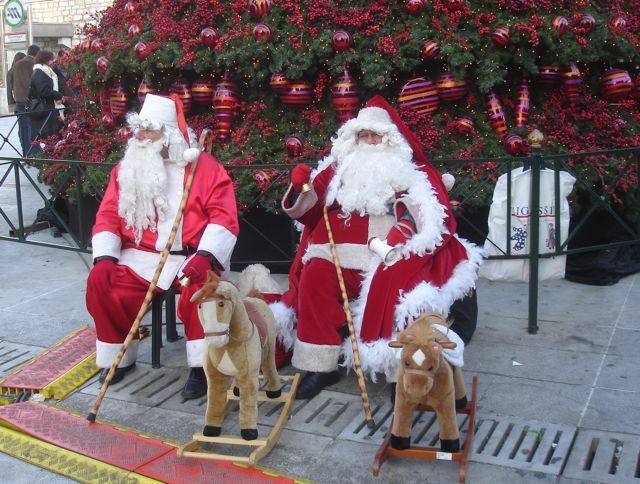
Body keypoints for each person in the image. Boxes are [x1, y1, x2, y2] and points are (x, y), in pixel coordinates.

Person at [271, 96, 483, 399]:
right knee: (315, 275)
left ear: (390, 139)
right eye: (363, 135)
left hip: (391, 252)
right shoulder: (335, 171)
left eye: (376, 136)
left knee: (401, 286)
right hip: (336, 253)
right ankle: (320, 366)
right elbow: (308, 212)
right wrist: (300, 188)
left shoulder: (411, 173)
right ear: (354, 138)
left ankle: (402, 368)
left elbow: (437, 220)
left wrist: (409, 244)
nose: (369, 142)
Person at [86, 93, 239, 399]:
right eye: (138, 131)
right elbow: (107, 214)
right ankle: (119, 356)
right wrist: (104, 258)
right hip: (140, 255)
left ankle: (203, 366)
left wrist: (206, 256)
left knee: (204, 291)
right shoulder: (127, 168)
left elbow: (224, 217)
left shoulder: (204, 168)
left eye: (150, 131)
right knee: (102, 284)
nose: (141, 137)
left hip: (191, 257)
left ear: (168, 134)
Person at [28, 50, 66, 152]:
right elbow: (43, 91)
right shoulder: (39, 73)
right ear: (45, 60)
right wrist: (58, 95)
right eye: (51, 59)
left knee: (54, 135)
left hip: (50, 108)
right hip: (45, 109)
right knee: (48, 136)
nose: (53, 61)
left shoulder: (46, 71)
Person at [7, 44, 39, 156]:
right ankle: (34, 154)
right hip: (31, 101)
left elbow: (10, 83)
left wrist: (13, 100)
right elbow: (36, 83)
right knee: (32, 128)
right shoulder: (34, 65)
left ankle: (25, 153)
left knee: (22, 128)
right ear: (37, 54)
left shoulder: (16, 65)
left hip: (19, 101)